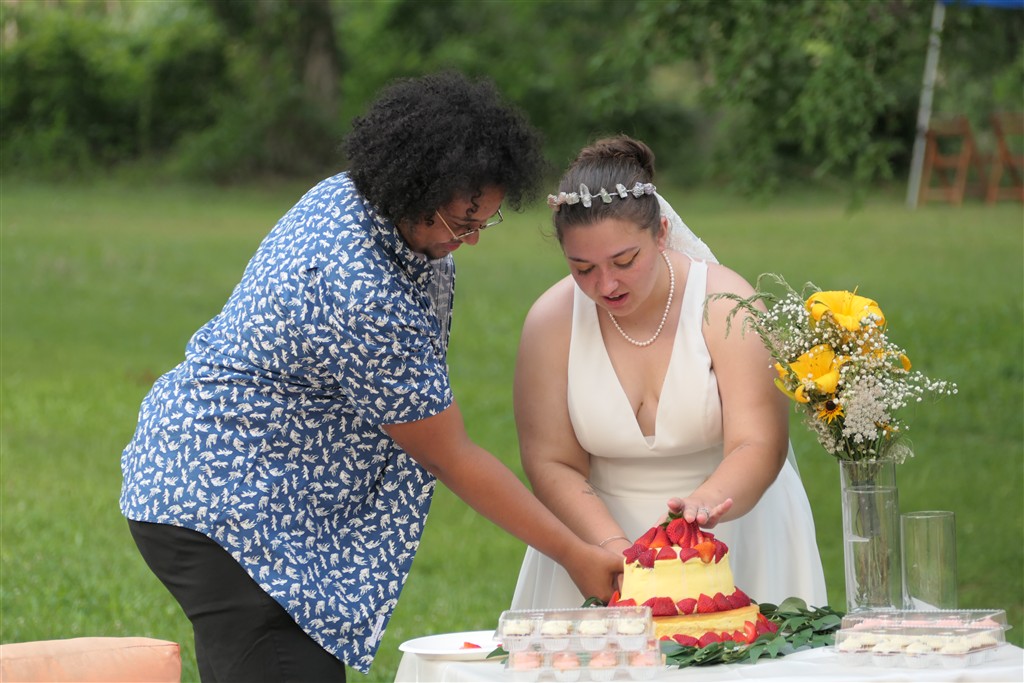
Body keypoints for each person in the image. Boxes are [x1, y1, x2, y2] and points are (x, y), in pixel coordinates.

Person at [119, 72, 621, 681]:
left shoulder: (355, 198)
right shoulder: (364, 292)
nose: (469, 241)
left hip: (250, 491)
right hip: (221, 500)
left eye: (483, 223)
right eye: (460, 221)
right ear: (415, 188)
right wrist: (574, 554)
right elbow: (451, 455)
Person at [510, 135, 827, 611]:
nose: (606, 284)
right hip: (596, 535)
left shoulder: (726, 305)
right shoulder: (550, 322)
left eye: (624, 261)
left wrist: (704, 507)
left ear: (661, 233)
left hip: (734, 529)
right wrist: (614, 548)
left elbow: (760, 442)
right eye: (583, 268)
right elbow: (550, 461)